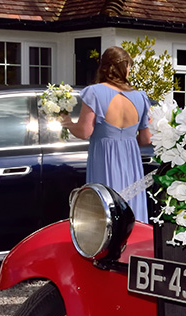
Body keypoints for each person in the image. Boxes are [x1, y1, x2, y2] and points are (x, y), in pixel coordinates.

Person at [61, 46, 152, 221]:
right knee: (131, 206)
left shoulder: (94, 92)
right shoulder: (141, 97)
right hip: (131, 161)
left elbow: (85, 132)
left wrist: (68, 124)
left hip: (104, 159)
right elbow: (146, 138)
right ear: (123, 68)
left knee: (105, 208)